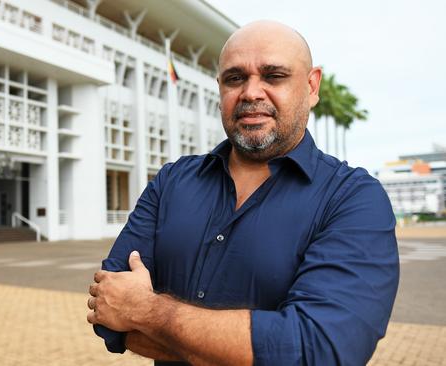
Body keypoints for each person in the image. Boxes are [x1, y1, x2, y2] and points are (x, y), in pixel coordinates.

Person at [86, 20, 400, 365]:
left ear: (311, 87)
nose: (251, 92)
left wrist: (147, 311)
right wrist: (246, 347)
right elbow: (108, 308)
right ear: (220, 87)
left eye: (273, 76)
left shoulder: (353, 199)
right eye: (235, 78)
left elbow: (319, 350)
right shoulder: (171, 182)